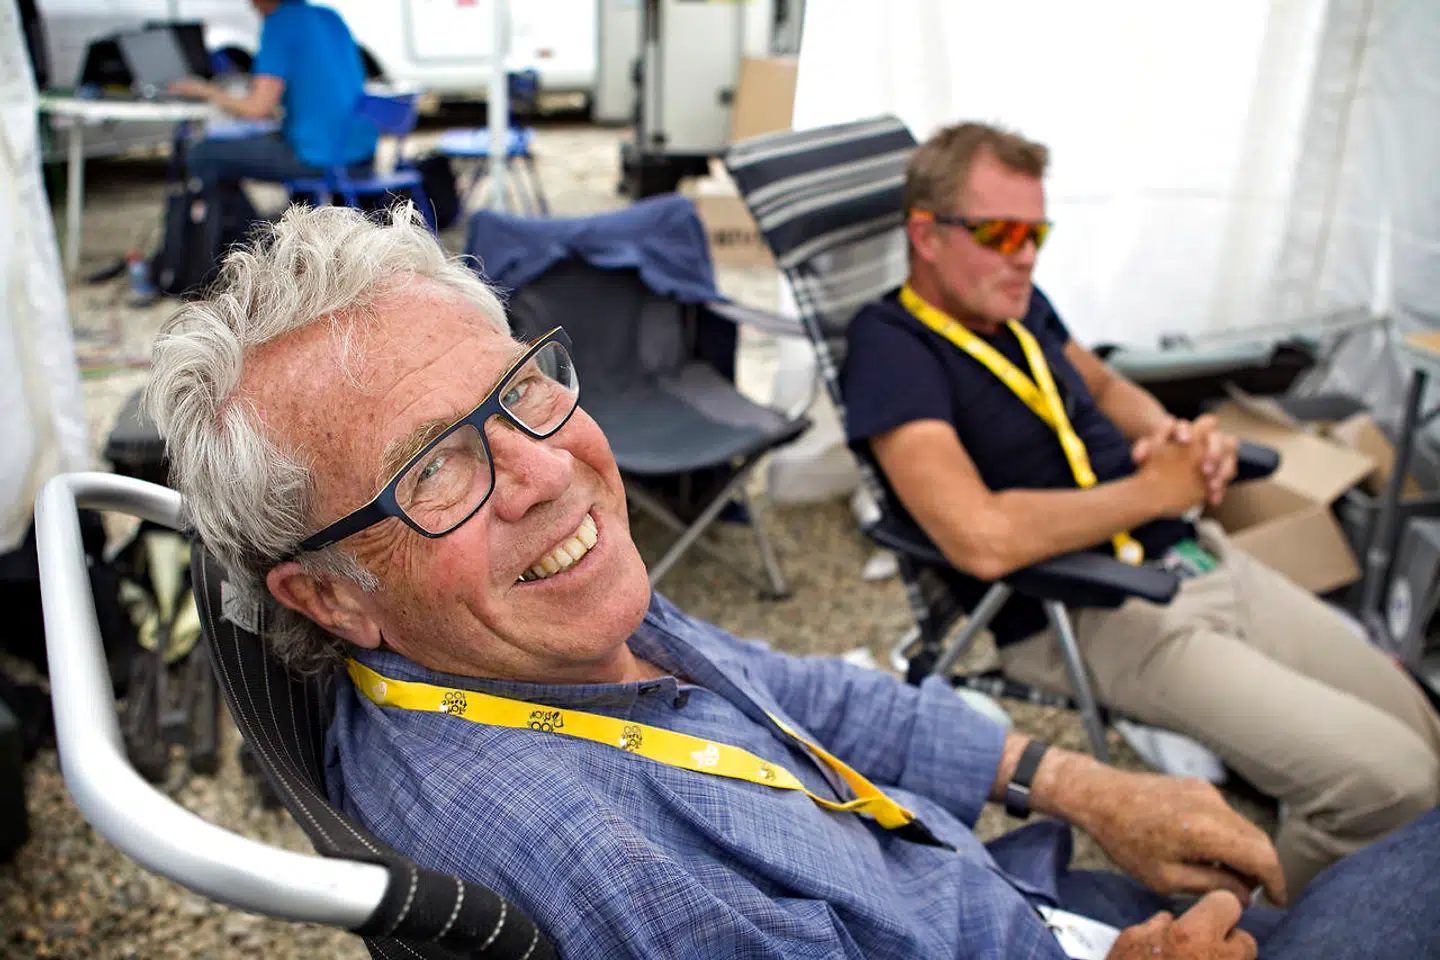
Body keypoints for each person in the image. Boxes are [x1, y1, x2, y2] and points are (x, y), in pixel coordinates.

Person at [144, 203, 1440, 959]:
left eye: (521, 391)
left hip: (1001, 890)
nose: (546, 471)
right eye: (434, 466)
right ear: (325, 594)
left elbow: (789, 689)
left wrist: (1078, 780)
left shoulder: (529, 620)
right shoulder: (622, 882)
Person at [840, 121, 1440, 895]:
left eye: (1037, 233)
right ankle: (1250, 935)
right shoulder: (893, 344)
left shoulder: (1017, 303)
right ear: (926, 234)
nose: (1025, 253)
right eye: (1001, 232)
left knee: (1423, 730)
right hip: (1095, 607)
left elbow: (1106, 387)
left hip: (1194, 558)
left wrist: (1175, 436)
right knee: (1387, 787)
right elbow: (978, 536)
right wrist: (1159, 488)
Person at [167, 0, 374, 203]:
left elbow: (258, 108)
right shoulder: (329, 16)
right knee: (259, 140)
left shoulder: (280, 23)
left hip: (320, 158)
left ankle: (238, 230)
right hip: (359, 151)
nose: (251, 5)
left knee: (202, 153)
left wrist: (205, 91)